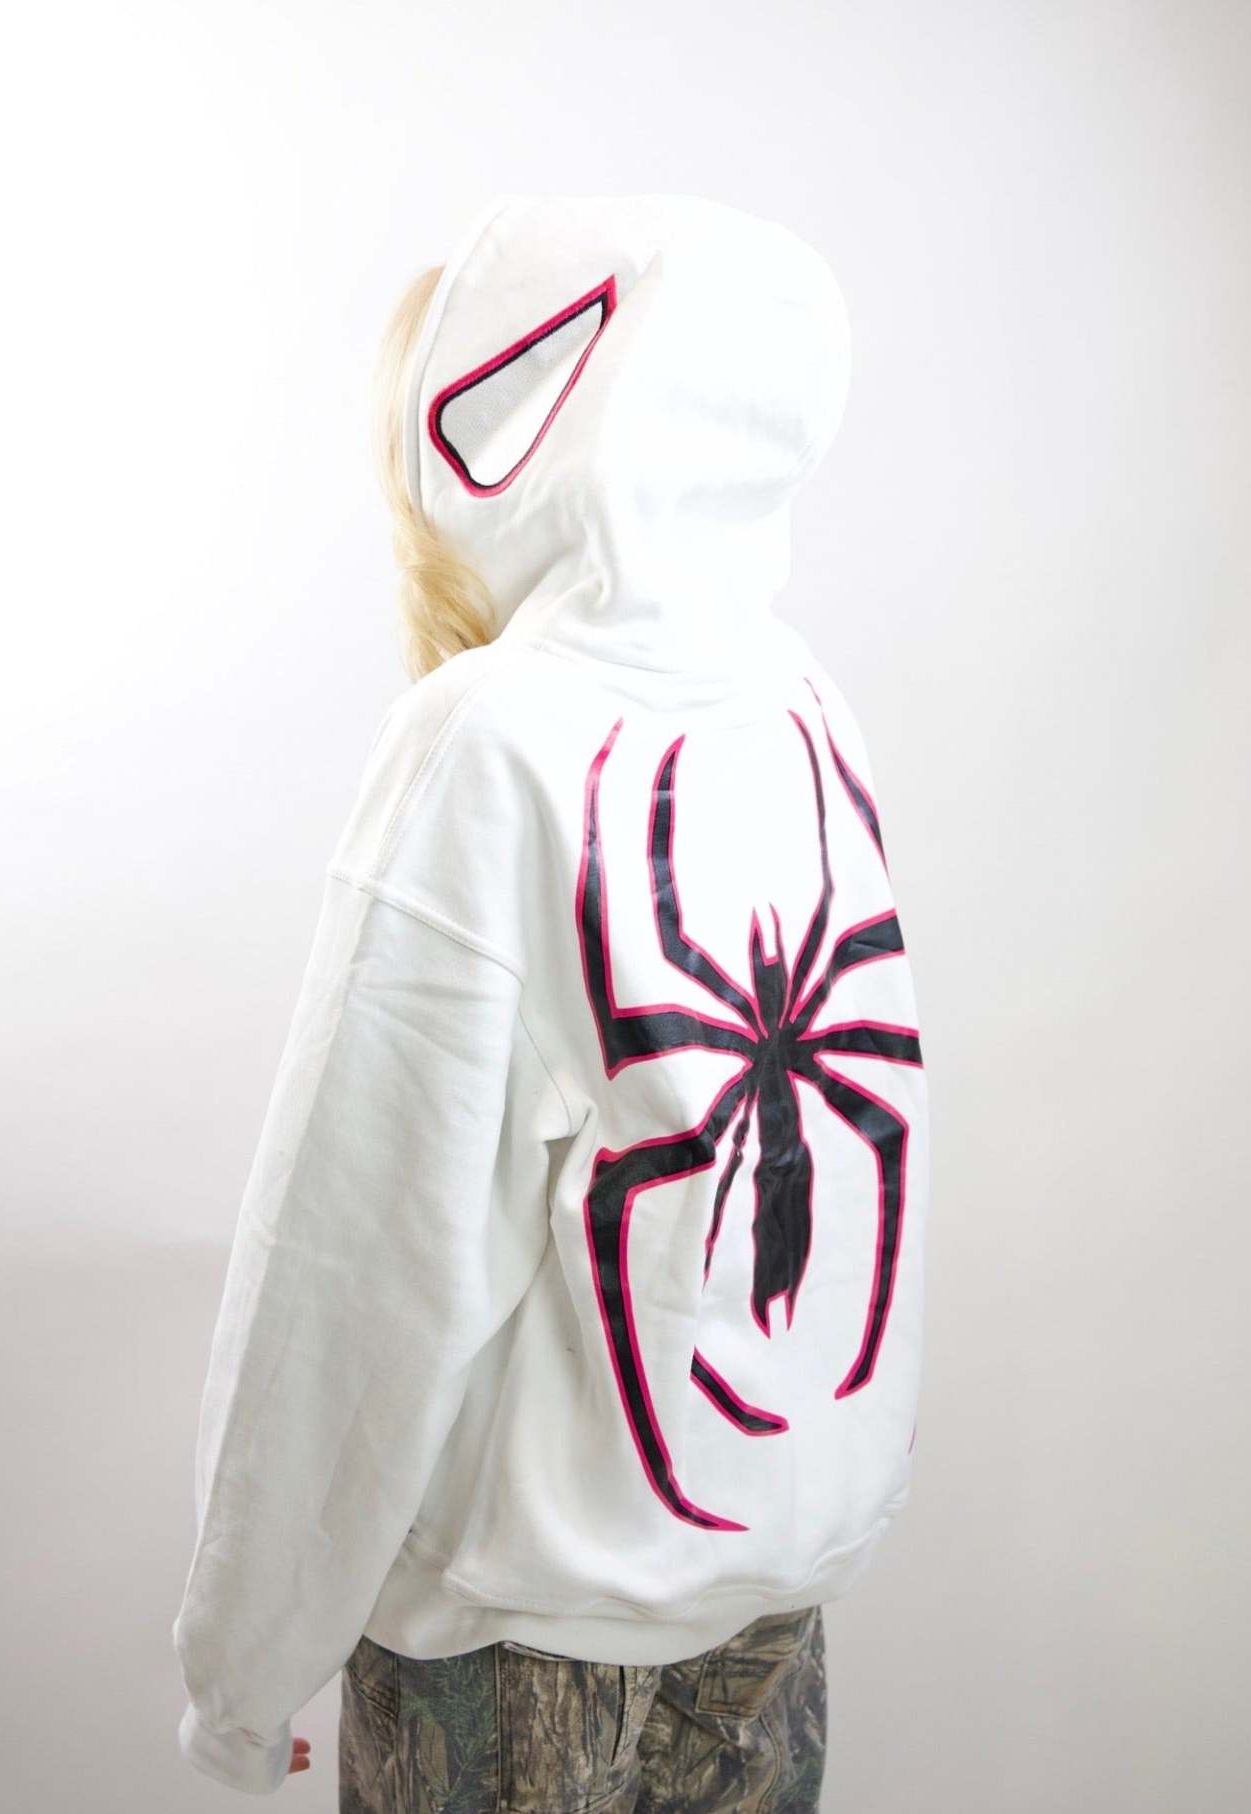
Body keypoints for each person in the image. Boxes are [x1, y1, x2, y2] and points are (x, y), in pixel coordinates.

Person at [171, 192, 930, 1809]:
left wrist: (243, 1667)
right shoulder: (802, 703)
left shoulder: (489, 737)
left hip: (515, 1652)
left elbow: (355, 1254)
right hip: (770, 1609)